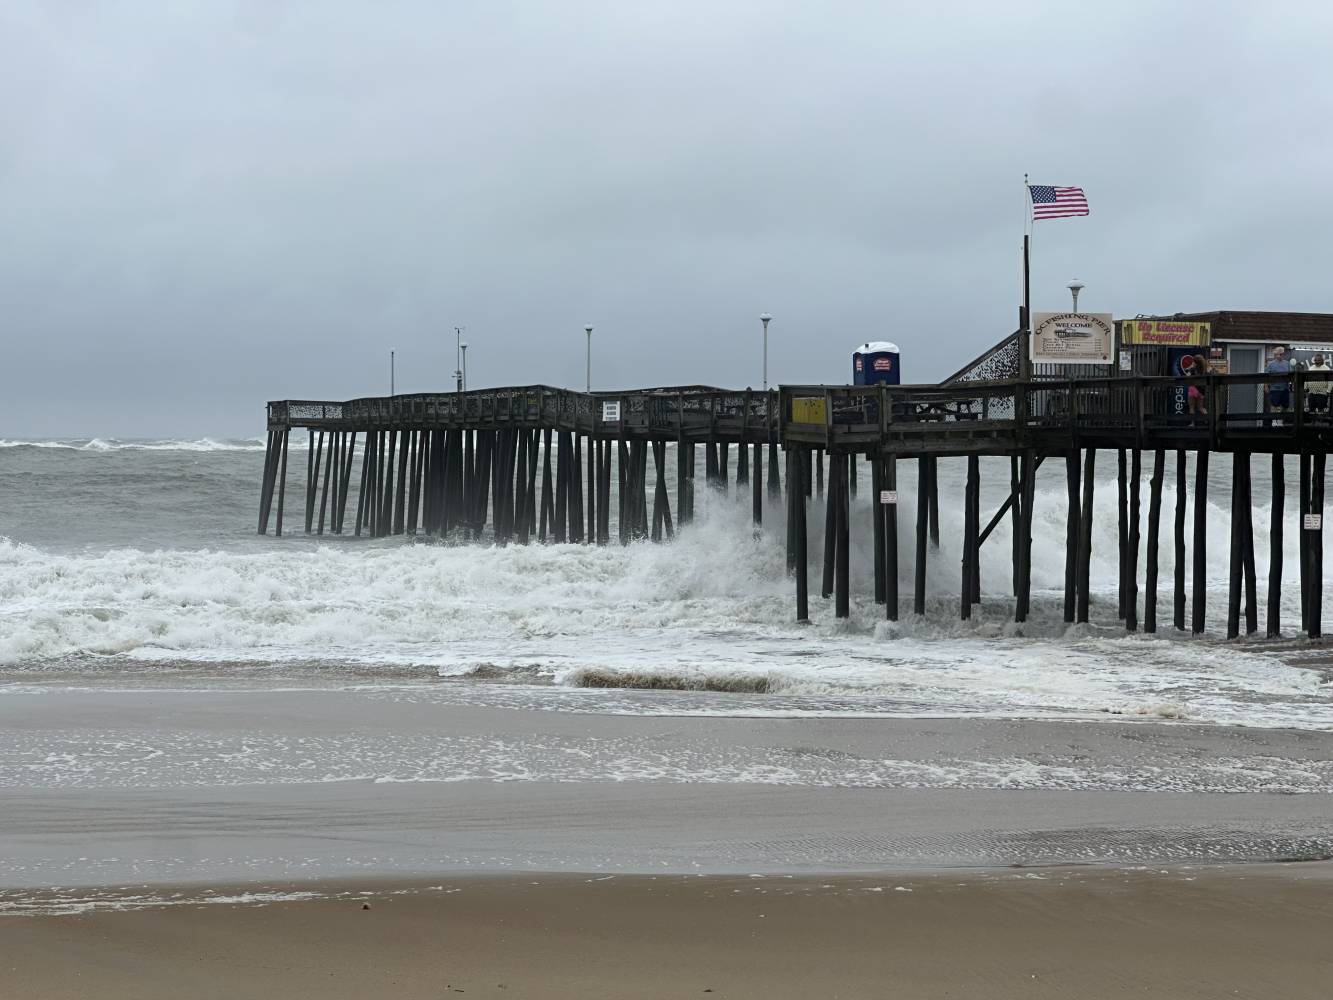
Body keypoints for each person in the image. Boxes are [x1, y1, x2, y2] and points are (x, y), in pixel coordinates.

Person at [1267, 346, 1293, 414]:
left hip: (1285, 389)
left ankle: (1283, 422)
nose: (1279, 356)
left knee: (1285, 407)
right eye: (1277, 354)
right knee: (1274, 407)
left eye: (1281, 354)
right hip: (1274, 389)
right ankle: (1274, 422)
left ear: (1283, 354)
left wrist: (1292, 385)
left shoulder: (1287, 364)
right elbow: (1265, 376)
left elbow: (1291, 376)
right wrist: (1266, 386)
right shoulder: (1271, 364)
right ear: (1275, 355)